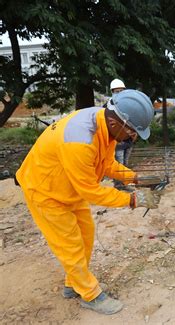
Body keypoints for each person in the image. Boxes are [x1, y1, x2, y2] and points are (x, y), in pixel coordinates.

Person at [15, 89, 162, 315]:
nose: (133, 137)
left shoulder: (104, 126)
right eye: (133, 132)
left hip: (68, 186)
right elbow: (92, 192)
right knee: (70, 245)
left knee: (86, 234)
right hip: (45, 191)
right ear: (117, 122)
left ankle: (72, 283)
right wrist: (133, 199)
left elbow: (106, 164)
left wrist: (135, 178)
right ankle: (91, 295)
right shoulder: (80, 141)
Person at [107, 79, 134, 189]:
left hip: (128, 140)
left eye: (121, 91)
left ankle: (124, 184)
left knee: (125, 164)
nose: (119, 94)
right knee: (118, 165)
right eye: (117, 91)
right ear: (112, 92)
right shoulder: (107, 106)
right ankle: (119, 186)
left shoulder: (128, 104)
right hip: (116, 141)